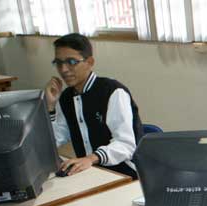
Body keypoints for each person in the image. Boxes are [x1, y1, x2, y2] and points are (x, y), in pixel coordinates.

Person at [44, 33, 142, 179]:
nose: (63, 69)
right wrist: (50, 107)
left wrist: (91, 158)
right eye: (59, 63)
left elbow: (126, 144)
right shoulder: (66, 97)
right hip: (92, 174)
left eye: (71, 62)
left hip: (126, 175)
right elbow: (55, 139)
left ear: (89, 62)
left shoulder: (112, 92)